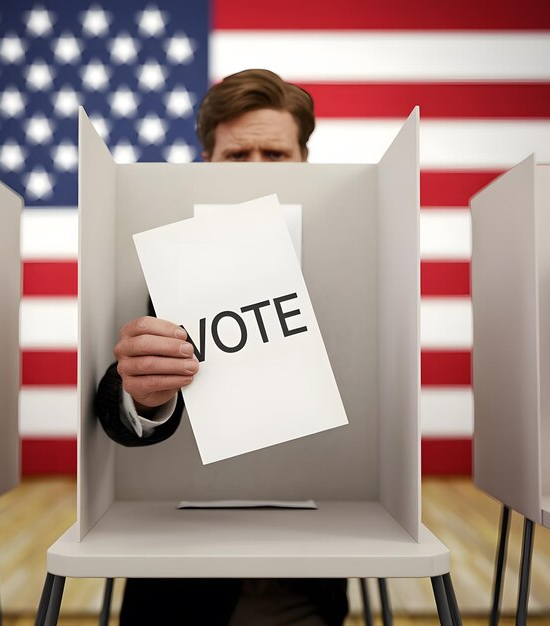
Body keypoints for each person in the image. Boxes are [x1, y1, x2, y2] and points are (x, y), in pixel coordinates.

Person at [94, 69, 349, 626]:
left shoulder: (353, 268)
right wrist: (145, 395)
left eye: (275, 155)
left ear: (306, 162)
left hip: (311, 569)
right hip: (183, 577)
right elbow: (111, 403)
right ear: (207, 163)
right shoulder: (162, 257)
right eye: (237, 157)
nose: (254, 173)